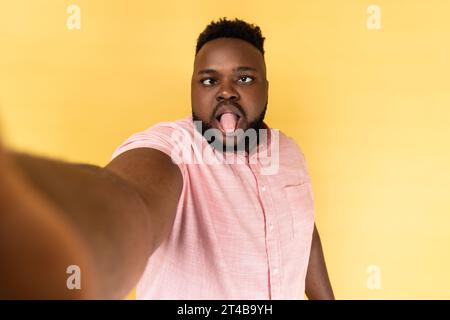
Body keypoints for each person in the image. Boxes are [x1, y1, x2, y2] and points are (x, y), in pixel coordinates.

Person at [0, 18, 334, 299]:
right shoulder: (169, 150)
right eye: (209, 80)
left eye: (244, 78)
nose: (226, 91)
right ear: (193, 88)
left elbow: (303, 229)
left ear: (266, 87)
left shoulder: (288, 151)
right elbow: (129, 199)